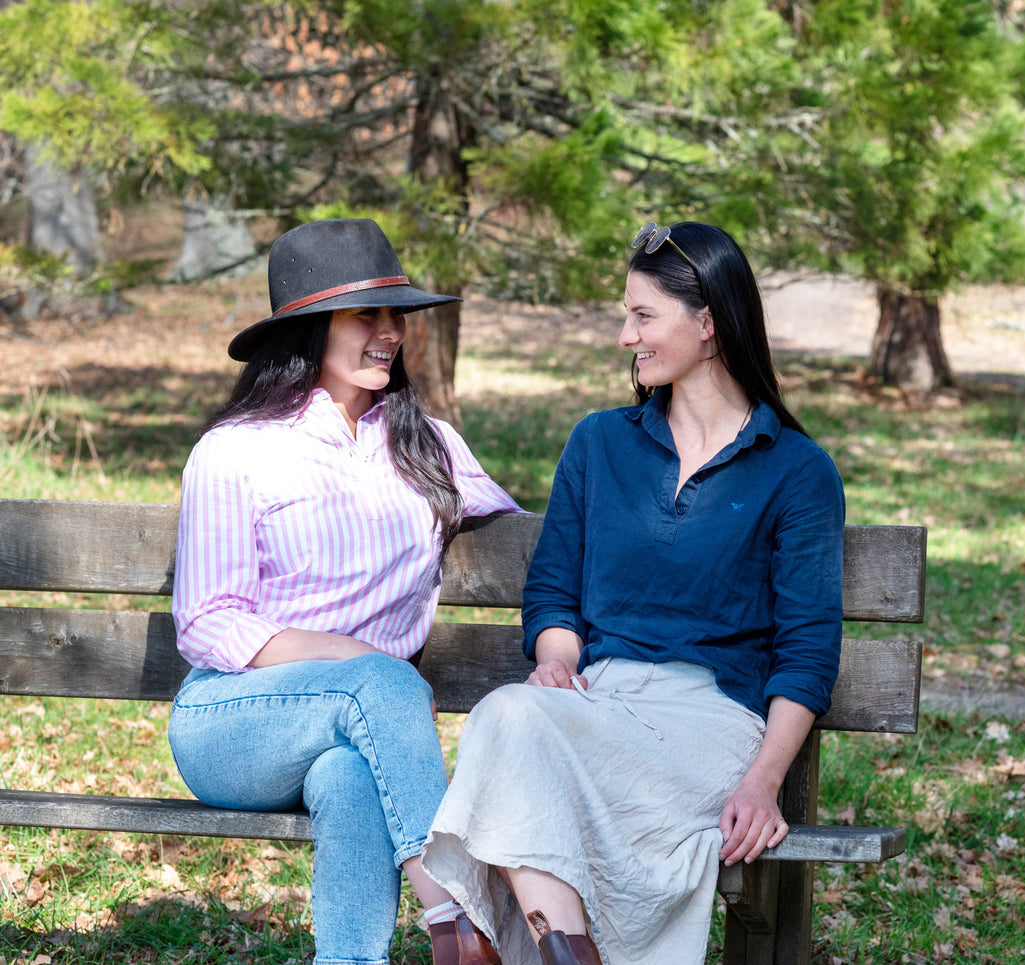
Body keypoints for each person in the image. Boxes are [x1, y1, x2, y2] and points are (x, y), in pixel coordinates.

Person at [421, 221, 846, 965]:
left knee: (515, 729)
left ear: (708, 324)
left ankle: (480, 939)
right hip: (598, 703)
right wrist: (556, 656)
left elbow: (807, 651)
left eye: (643, 315)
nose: (625, 336)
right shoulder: (600, 442)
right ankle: (568, 952)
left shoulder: (796, 470)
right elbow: (553, 590)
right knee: (515, 714)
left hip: (709, 727)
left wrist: (763, 780)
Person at [167, 218, 521, 965]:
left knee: (352, 777)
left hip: (360, 732)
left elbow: (540, 546)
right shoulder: (237, 451)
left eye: (397, 315)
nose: (391, 332)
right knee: (379, 683)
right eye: (368, 314)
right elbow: (208, 622)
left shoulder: (429, 444)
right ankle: (460, 923)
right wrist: (359, 660)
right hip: (233, 724)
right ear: (308, 330)